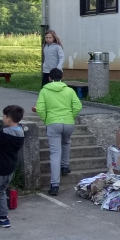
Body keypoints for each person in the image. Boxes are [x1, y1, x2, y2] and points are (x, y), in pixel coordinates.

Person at [36, 68, 82, 196]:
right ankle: (65, 166)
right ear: (62, 77)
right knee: (66, 142)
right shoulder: (69, 90)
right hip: (68, 123)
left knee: (55, 153)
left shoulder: (45, 90)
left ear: (49, 78)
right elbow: (78, 106)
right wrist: (70, 116)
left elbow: (40, 108)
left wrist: (46, 119)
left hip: (53, 122)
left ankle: (55, 185)